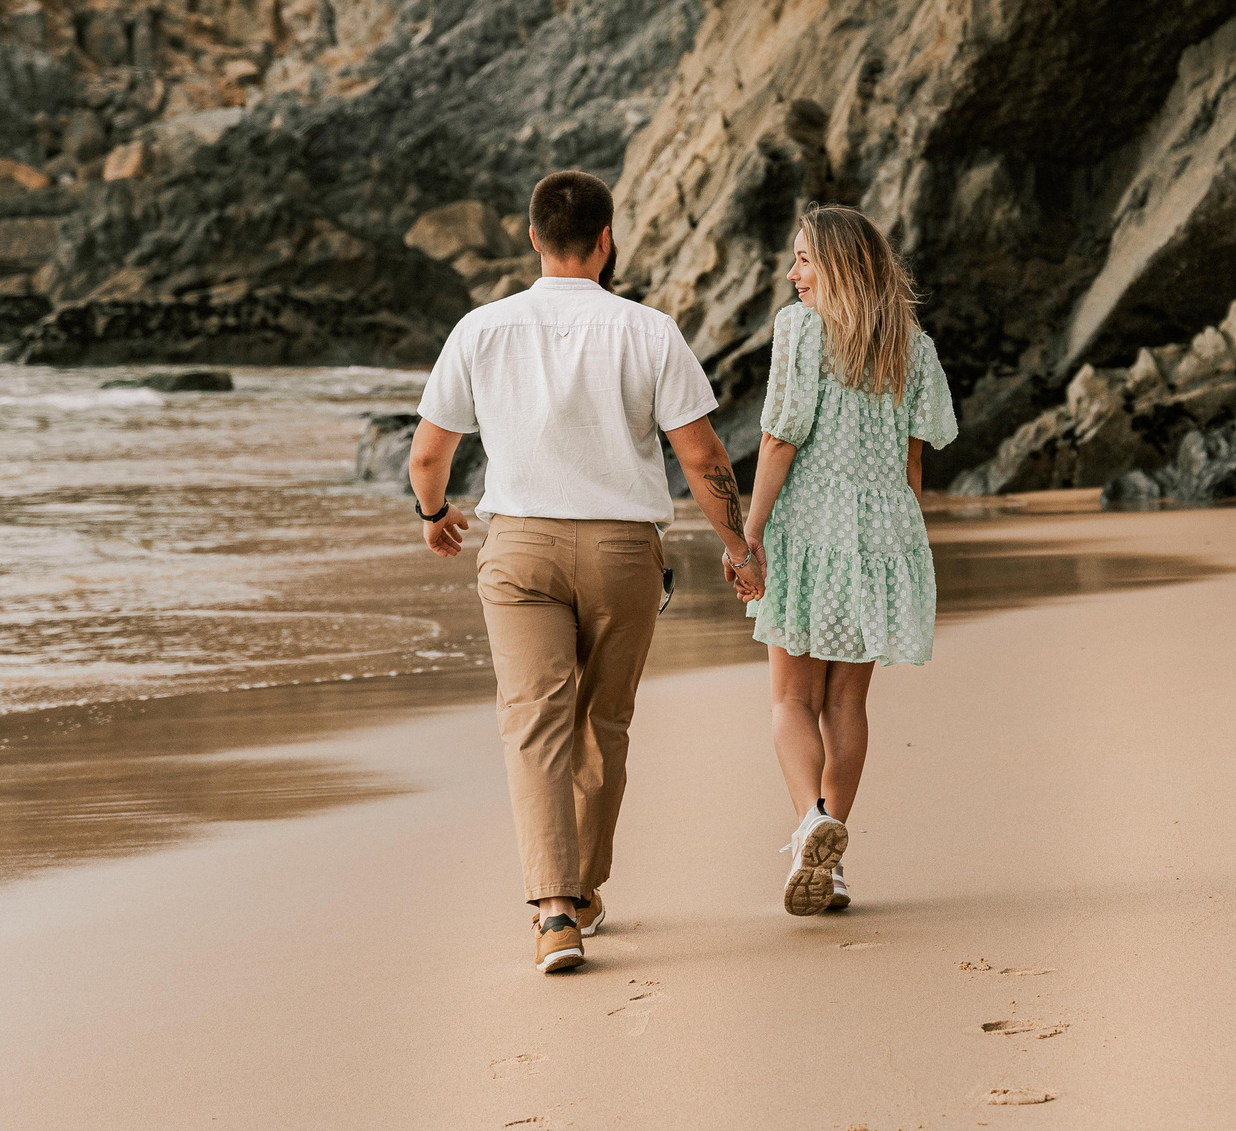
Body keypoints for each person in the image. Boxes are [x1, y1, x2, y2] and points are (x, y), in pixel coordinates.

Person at [409, 170, 762, 975]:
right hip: (621, 552)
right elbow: (702, 455)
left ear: (533, 238)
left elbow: (429, 453)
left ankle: (554, 913)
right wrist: (740, 549)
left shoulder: (481, 329)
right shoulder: (648, 330)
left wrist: (435, 516)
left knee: (534, 723)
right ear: (606, 240)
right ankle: (586, 889)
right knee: (603, 723)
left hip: (520, 549)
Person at [738, 204, 957, 916]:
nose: (793, 273)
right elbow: (912, 459)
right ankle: (830, 866)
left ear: (837, 264)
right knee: (847, 703)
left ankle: (811, 821)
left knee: (791, 699)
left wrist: (751, 530)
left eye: (805, 259)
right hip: (882, 535)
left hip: (810, 530)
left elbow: (780, 438)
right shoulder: (911, 345)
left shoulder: (801, 331)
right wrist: (903, 545)